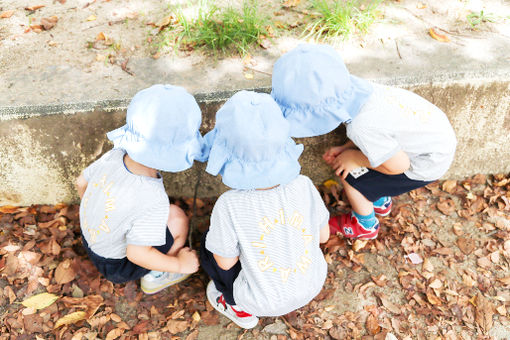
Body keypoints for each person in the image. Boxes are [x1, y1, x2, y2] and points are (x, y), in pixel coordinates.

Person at [271, 44, 457, 240]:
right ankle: (379, 198)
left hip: (423, 165)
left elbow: (399, 165)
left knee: (350, 176)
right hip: (433, 143)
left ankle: (364, 224)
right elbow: (380, 134)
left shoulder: (361, 126)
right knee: (353, 163)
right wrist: (347, 148)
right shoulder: (363, 92)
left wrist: (354, 158)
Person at [200, 91, 330, 329]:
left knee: (209, 245)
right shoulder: (304, 184)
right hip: (312, 283)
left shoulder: (229, 204)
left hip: (258, 300)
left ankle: (234, 303)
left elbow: (226, 262)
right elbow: (323, 236)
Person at [75, 84, 203, 293]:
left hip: (91, 239)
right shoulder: (152, 198)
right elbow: (137, 254)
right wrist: (181, 263)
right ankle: (157, 275)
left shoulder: (114, 155)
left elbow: (81, 182)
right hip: (119, 266)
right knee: (177, 218)